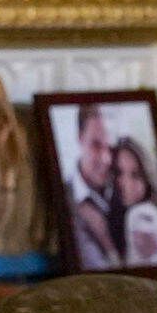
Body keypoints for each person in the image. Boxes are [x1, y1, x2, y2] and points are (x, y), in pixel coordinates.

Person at [62, 103, 122, 268]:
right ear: (80, 138)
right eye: (96, 145)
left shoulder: (128, 190)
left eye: (111, 147)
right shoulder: (63, 196)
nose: (106, 158)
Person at [112, 138, 157, 265]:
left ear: (148, 178)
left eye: (135, 175)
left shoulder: (141, 213)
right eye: (118, 172)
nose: (125, 184)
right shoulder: (116, 216)